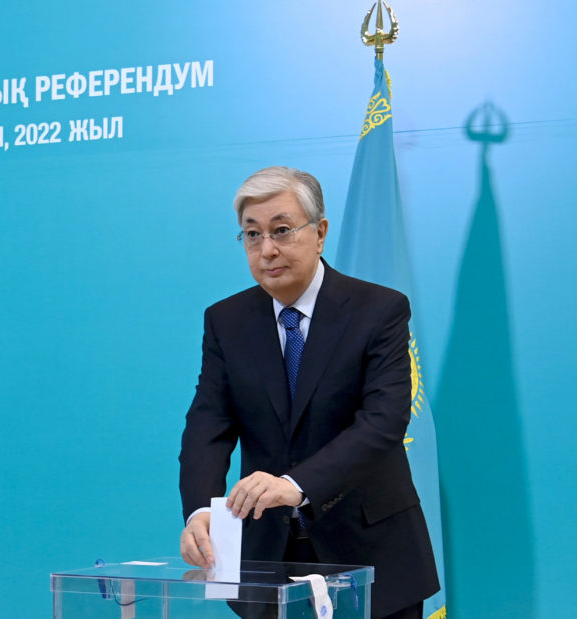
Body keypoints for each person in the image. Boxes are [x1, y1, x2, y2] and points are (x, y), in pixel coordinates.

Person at [179, 167, 439, 619]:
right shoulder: (226, 321)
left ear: (319, 233)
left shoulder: (380, 310)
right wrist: (202, 511)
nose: (267, 249)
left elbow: (382, 423)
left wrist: (294, 486)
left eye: (281, 230)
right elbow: (208, 425)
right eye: (252, 235)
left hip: (371, 554)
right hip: (268, 558)